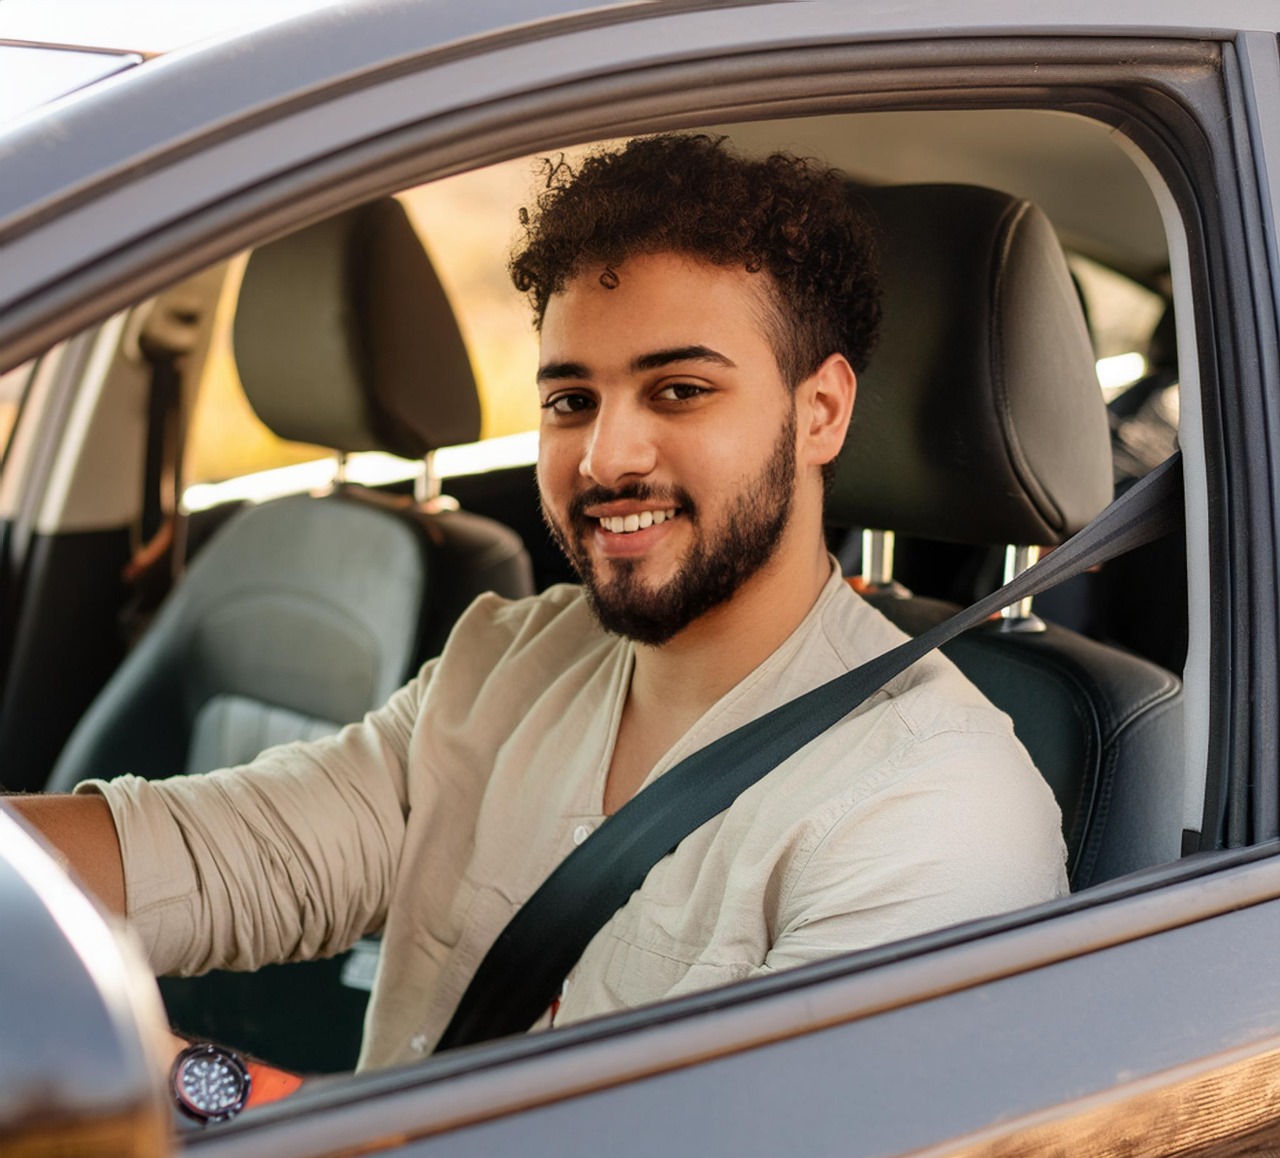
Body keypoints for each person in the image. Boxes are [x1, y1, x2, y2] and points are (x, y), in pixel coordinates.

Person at [12, 134, 1067, 1073]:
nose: (605, 455)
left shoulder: (934, 804)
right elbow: (230, 855)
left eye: (679, 389)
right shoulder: (512, 657)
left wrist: (199, 1096)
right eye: (571, 400)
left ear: (821, 411)